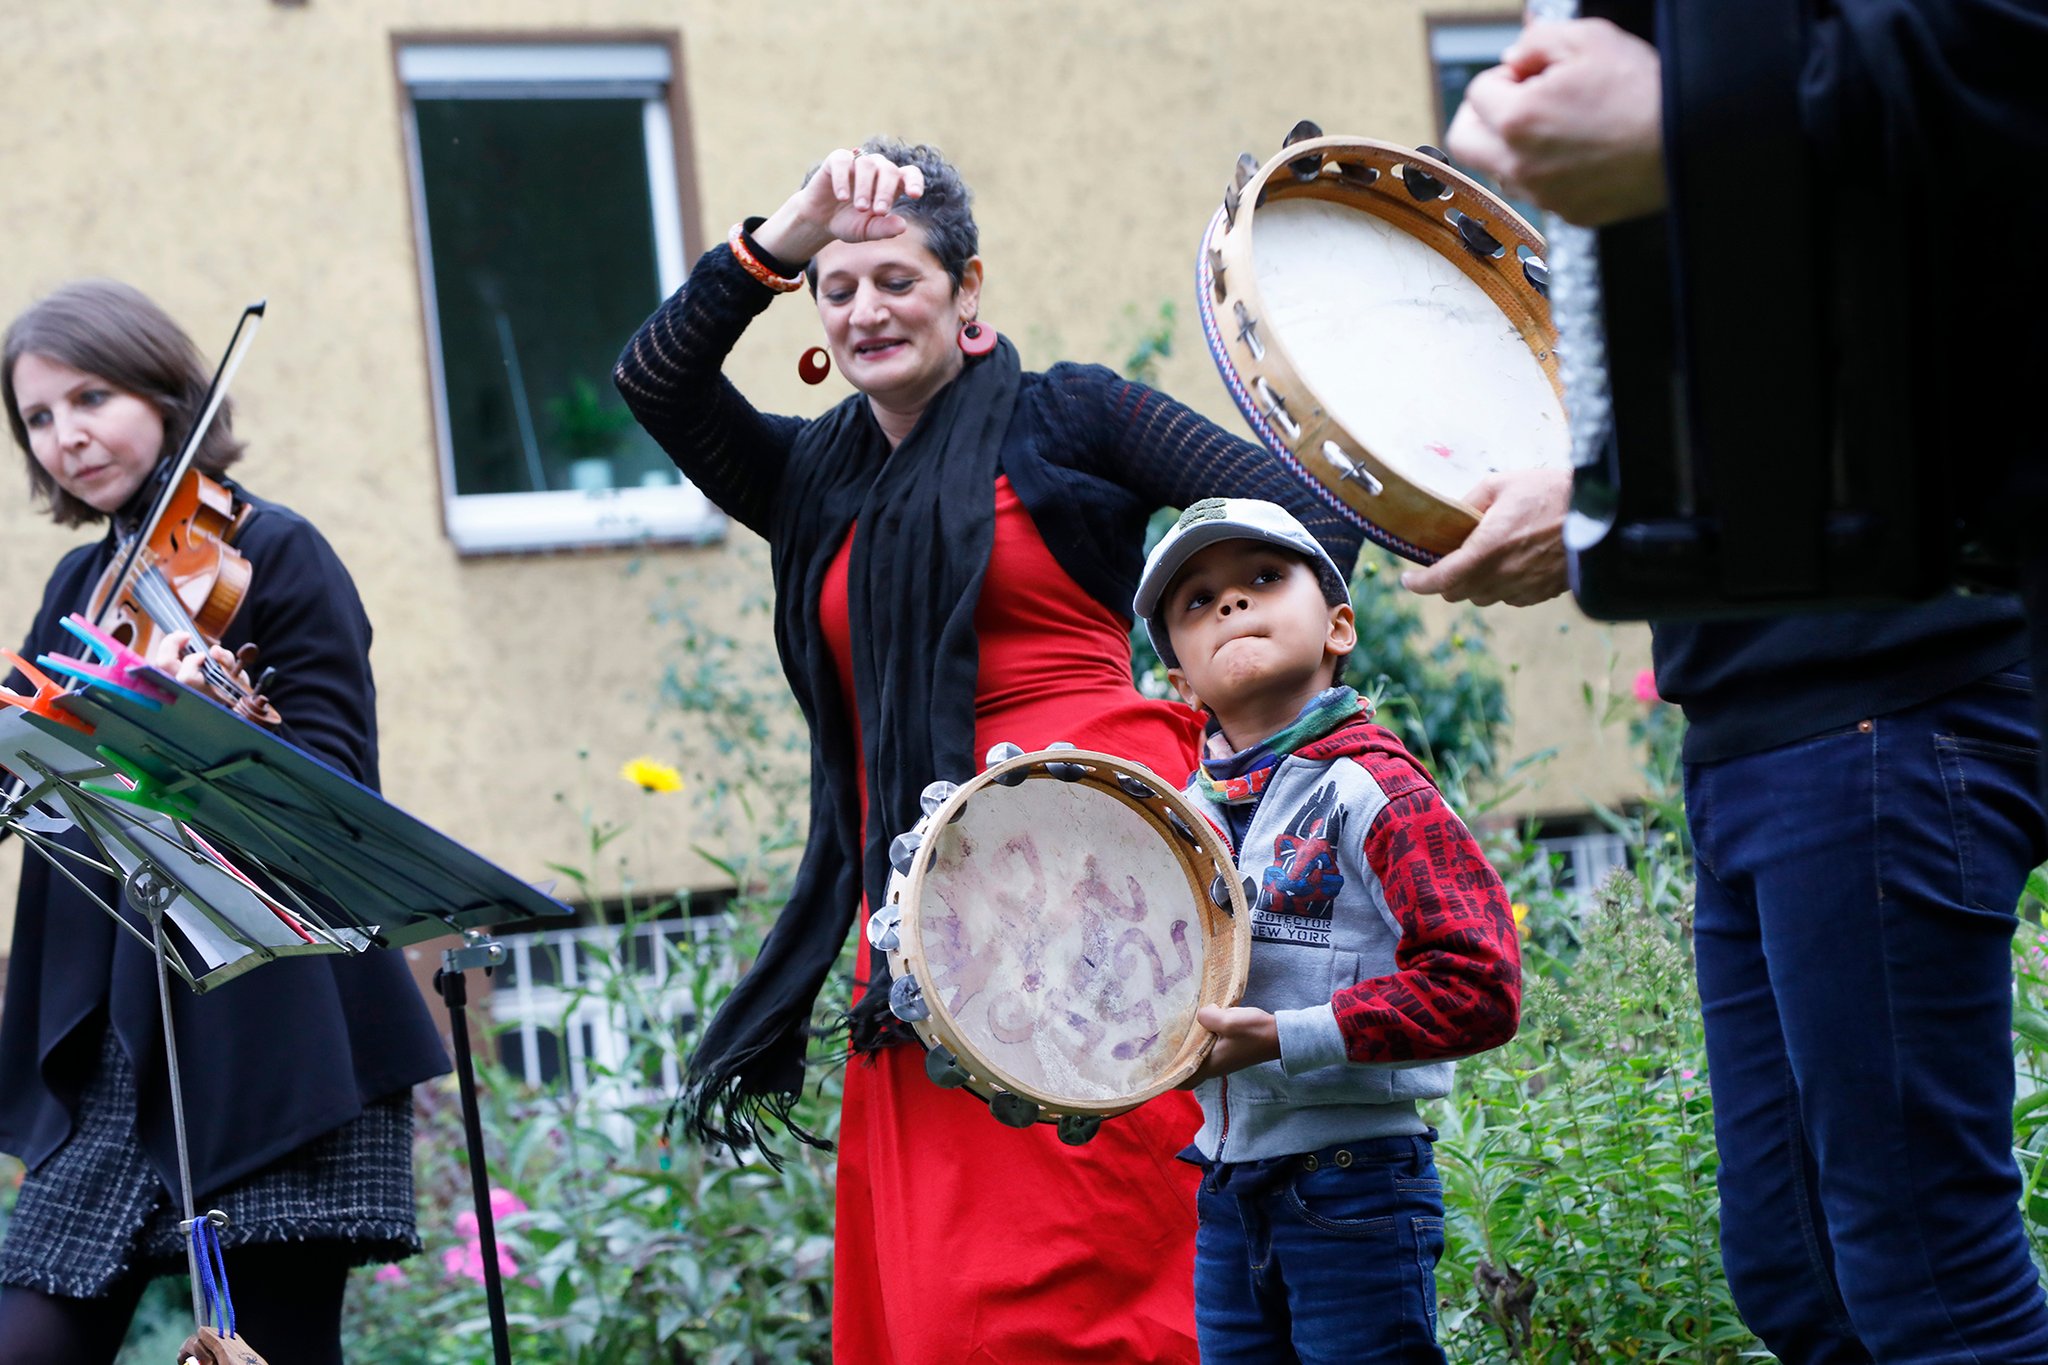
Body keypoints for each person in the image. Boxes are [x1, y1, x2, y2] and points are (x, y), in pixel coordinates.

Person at [613, 139, 1368, 1362]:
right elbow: (656, 379)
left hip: (1105, 912)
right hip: (924, 934)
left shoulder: (1068, 414)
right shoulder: (810, 474)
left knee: (1118, 1278)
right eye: (838, 286)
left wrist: (1205, 682)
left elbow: (1310, 523)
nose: (865, 309)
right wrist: (785, 234)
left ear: (968, 292)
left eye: (897, 279)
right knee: (953, 1305)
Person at [1434, 18, 2048, 1360]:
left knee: (1927, 1284)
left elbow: (1995, 75)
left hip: (1889, 689)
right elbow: (1749, 312)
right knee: (1799, 1282)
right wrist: (1598, 495)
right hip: (1751, 718)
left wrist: (1691, 117)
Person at [0, 280, 450, 1365]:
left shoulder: (279, 556)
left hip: (264, 1034)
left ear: (164, 390)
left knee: (271, 1351)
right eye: (39, 419)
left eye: (91, 397)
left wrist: (211, 739)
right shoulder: (79, 582)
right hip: (114, 1028)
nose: (68, 436)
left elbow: (339, 786)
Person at [1130, 497, 1521, 1364]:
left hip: (1357, 1188)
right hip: (1227, 1196)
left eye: (1264, 578)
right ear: (1180, 681)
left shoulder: (1375, 789)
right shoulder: (1171, 825)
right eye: (1197, 600)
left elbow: (1481, 983)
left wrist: (1284, 1037)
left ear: (1338, 624)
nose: (1232, 602)